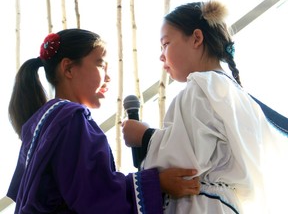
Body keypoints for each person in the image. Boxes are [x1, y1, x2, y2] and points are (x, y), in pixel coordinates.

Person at [7, 28, 201, 214]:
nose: (108, 77)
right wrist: (157, 183)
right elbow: (96, 194)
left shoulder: (41, 126)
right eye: (100, 64)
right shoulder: (71, 118)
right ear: (68, 68)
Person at [122, 0, 288, 214]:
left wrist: (144, 136)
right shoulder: (233, 94)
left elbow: (183, 162)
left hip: (201, 204)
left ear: (197, 38)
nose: (161, 55)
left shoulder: (202, 87)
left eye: (165, 43)